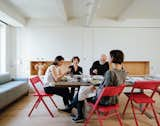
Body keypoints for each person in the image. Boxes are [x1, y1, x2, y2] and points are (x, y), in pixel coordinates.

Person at [61, 50, 127, 123]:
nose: (107, 58)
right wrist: (96, 87)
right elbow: (108, 87)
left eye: (108, 56)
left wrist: (94, 87)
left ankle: (79, 115)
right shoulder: (124, 72)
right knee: (83, 90)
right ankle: (73, 109)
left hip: (104, 100)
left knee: (81, 91)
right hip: (114, 100)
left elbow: (104, 90)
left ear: (112, 58)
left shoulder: (110, 72)